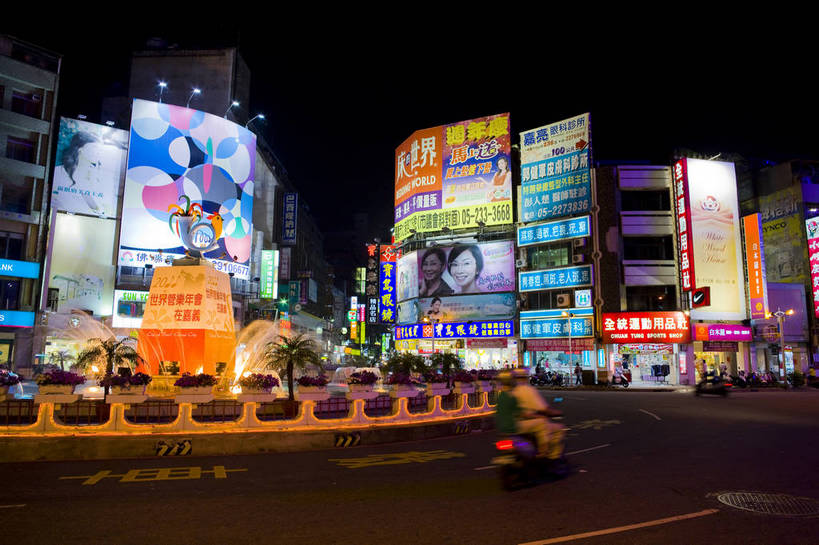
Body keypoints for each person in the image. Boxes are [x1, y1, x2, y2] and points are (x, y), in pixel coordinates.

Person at [509, 368, 565, 459]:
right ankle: (548, 455)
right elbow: (542, 408)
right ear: (525, 378)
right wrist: (554, 412)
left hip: (513, 425)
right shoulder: (527, 390)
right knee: (551, 425)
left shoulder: (511, 391)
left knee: (541, 422)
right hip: (523, 423)